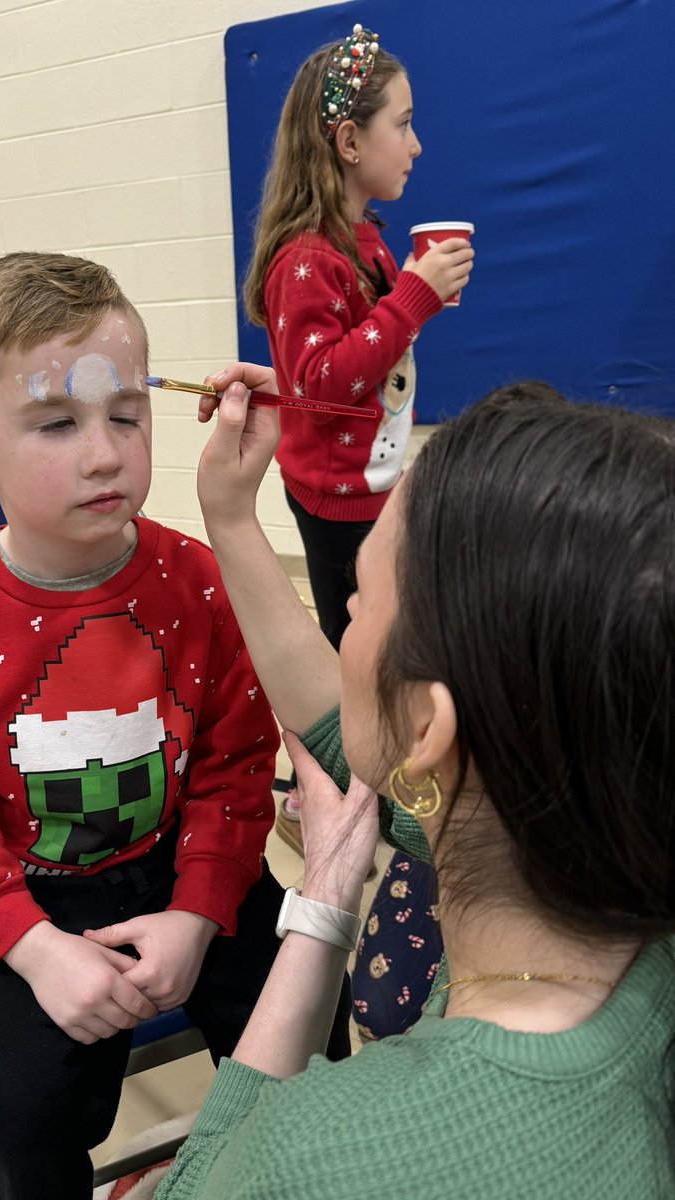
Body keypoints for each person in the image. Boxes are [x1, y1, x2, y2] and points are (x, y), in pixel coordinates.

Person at [0, 254, 351, 1200]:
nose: (104, 453)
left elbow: (235, 765)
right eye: (56, 423)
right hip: (20, 896)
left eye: (125, 415)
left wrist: (198, 909)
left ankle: (270, 1175)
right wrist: (36, 949)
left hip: (181, 863)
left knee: (306, 1026)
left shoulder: (198, 582)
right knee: (11, 1120)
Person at [151, 365, 675, 1198]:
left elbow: (196, 1183)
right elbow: (356, 732)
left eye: (357, 602)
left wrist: (322, 900)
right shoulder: (593, 826)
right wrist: (231, 517)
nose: (343, 619)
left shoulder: (326, 1156)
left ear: (431, 731)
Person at [242, 25, 473, 849]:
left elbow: (353, 360)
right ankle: (310, 796)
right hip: (337, 502)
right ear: (347, 140)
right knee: (350, 654)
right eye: (402, 124)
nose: (417, 143)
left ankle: (370, 761)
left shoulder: (363, 237)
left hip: (368, 483)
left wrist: (410, 295)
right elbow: (325, 380)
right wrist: (411, 298)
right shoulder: (305, 260)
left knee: (376, 640)